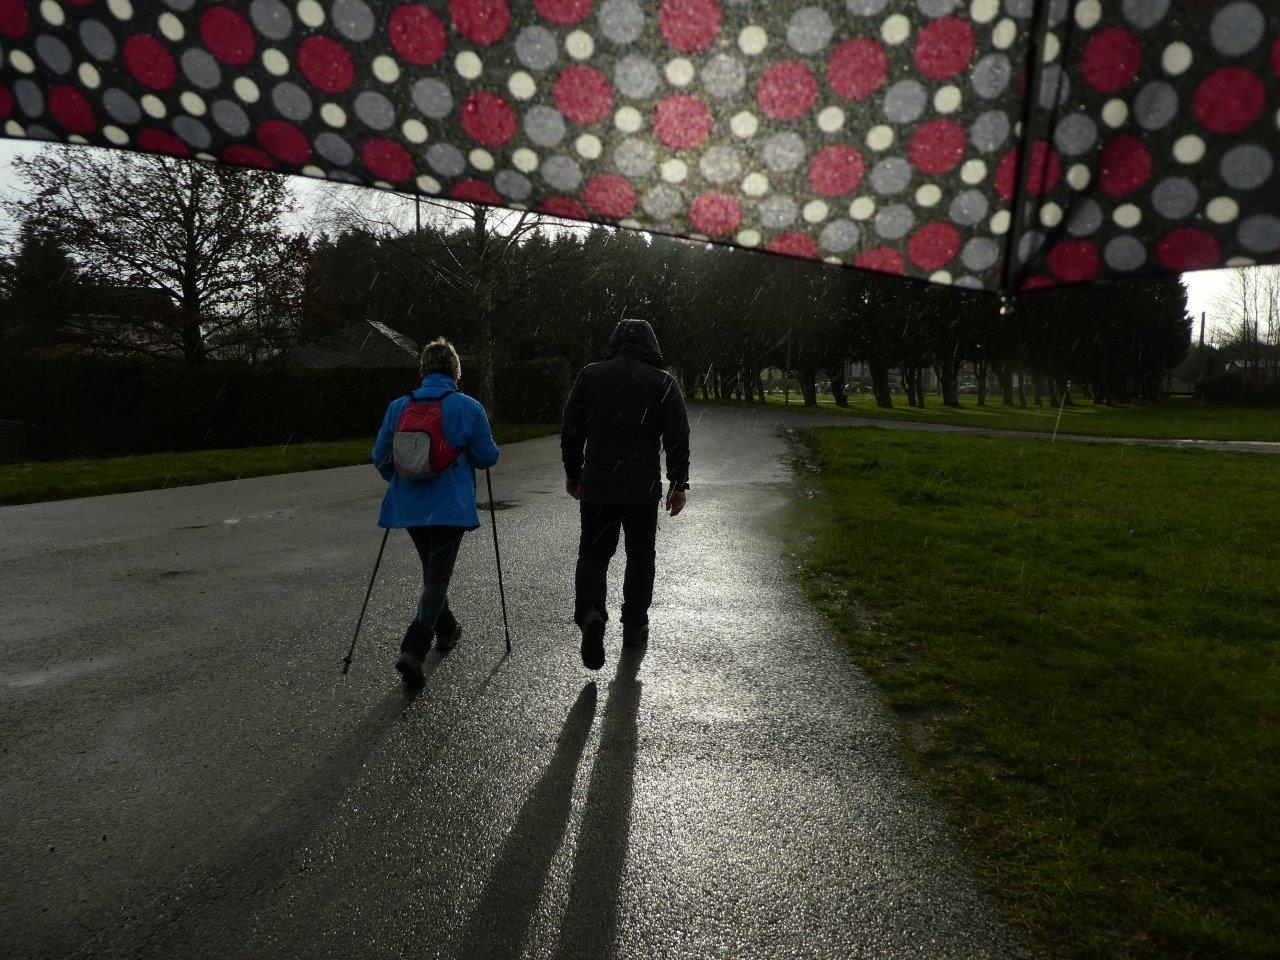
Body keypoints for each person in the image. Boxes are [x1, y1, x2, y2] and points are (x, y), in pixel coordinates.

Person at [562, 318, 690, 671]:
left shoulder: (590, 375)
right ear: (651, 346)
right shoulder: (662, 382)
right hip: (641, 488)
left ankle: (591, 611)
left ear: (614, 343)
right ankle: (634, 623)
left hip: (598, 484)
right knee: (640, 556)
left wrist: (573, 473)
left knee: (593, 554)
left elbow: (571, 429)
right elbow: (677, 435)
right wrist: (679, 483)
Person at [372, 338, 499, 686]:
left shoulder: (399, 406)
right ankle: (413, 649)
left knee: (433, 572)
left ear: (423, 370)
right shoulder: (467, 406)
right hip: (449, 507)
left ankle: (447, 629)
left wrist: (404, 479)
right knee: (437, 577)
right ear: (456, 370)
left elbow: (380, 457)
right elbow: (486, 457)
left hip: (410, 507)